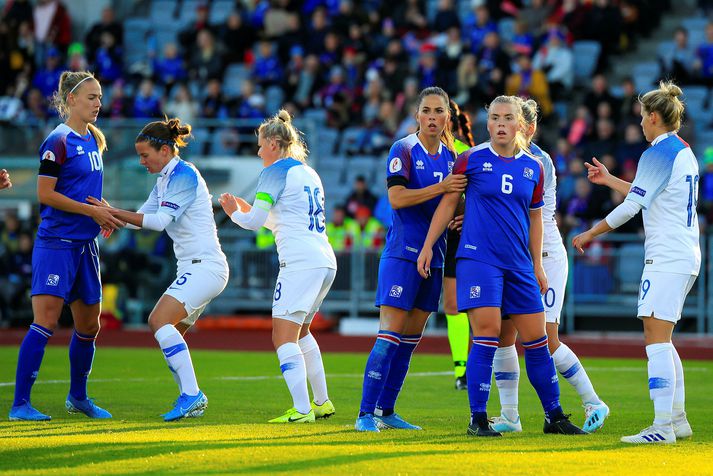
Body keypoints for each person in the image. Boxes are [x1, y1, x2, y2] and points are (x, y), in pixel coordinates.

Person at [417, 95, 585, 437]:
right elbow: (449, 205)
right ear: (488, 122)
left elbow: (536, 220)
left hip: (520, 264)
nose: (500, 124)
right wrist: (427, 246)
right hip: (479, 261)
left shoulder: (534, 167)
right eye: (494, 118)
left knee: (537, 340)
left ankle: (554, 416)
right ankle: (478, 418)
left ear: (520, 125)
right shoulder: (471, 160)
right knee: (488, 334)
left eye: (508, 118)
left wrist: (537, 265)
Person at [573, 81, 699, 444]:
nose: (641, 123)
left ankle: (661, 427)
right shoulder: (682, 151)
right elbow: (650, 193)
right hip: (684, 252)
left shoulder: (658, 151)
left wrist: (589, 234)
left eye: (643, 117)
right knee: (664, 337)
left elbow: (633, 207)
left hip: (667, 255)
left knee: (654, 337)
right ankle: (676, 419)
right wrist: (611, 179)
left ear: (654, 117)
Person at [87, 117, 229, 421]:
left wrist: (111, 212)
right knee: (171, 332)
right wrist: (106, 213)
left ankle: (192, 395)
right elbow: (139, 218)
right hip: (195, 267)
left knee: (157, 320)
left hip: (206, 266)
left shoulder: (184, 175)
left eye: (145, 155)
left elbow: (157, 223)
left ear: (165, 150)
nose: (141, 162)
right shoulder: (165, 179)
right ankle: (189, 399)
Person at [9, 71, 124, 421]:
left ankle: (78, 397)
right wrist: (90, 210)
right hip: (56, 243)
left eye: (101, 97)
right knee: (44, 322)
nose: (98, 103)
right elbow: (45, 194)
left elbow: (83, 191)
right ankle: (20, 405)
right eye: (91, 97)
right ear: (70, 99)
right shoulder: (57, 141)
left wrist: (101, 211)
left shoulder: (94, 140)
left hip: (85, 245)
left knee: (90, 326)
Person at [490, 98, 609, 434]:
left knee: (545, 339)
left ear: (528, 128)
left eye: (515, 121)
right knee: (503, 336)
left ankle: (593, 400)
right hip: (514, 260)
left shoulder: (537, 161)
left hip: (544, 258)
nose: (509, 127)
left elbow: (531, 218)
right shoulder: (496, 156)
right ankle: (510, 416)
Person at [355, 86, 467, 432]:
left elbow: (454, 202)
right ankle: (364, 414)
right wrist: (442, 188)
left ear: (449, 117)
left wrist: (461, 215)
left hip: (435, 259)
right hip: (403, 254)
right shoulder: (402, 148)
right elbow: (397, 199)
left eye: (439, 112)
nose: (433, 118)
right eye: (427, 111)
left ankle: (386, 412)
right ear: (417, 115)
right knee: (389, 335)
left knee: (409, 342)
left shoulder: (452, 158)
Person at [219, 109, 337, 423]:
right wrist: (248, 209)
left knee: (283, 337)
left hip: (299, 262)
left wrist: (233, 211)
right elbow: (281, 220)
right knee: (302, 333)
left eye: (260, 145)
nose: (258, 152)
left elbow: (254, 222)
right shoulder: (308, 172)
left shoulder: (275, 171)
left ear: (273, 142)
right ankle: (322, 402)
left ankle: (301, 410)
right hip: (324, 260)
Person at [444, 99, 475, 390]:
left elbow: (479, 197)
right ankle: (460, 369)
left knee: (471, 303)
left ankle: (473, 364)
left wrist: (466, 215)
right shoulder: (417, 150)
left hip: (463, 236)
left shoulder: (466, 153)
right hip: (435, 234)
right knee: (451, 304)